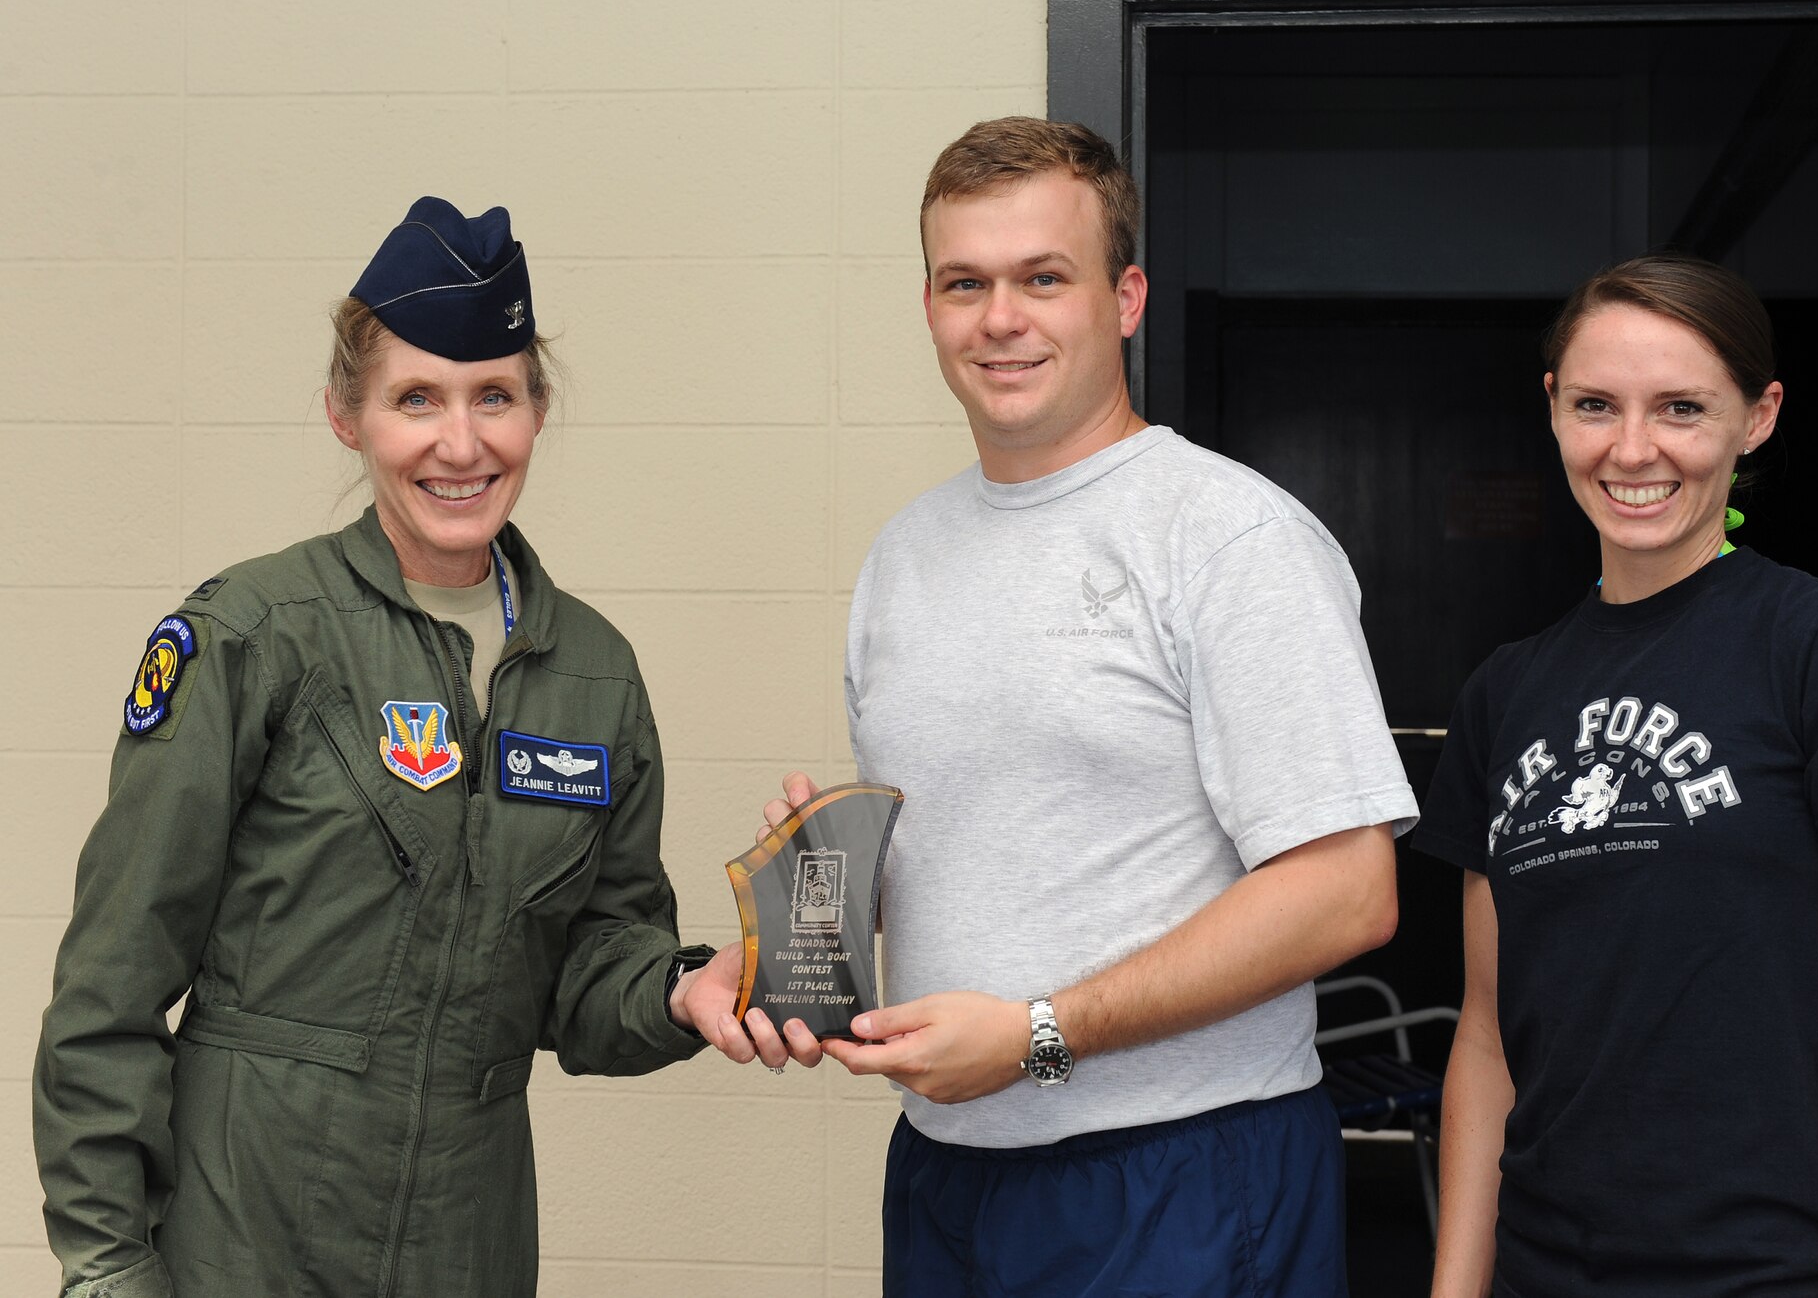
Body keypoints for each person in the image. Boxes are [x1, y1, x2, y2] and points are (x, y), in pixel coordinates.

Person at [33, 197, 798, 1298]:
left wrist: (686, 989)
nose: (460, 442)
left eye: (494, 394)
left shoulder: (594, 674)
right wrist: (107, 1267)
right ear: (349, 416)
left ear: (537, 409)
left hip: (467, 1245)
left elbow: (586, 970)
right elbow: (109, 986)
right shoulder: (253, 633)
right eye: (416, 399)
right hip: (238, 1242)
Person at [743, 117, 1418, 1296]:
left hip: (1182, 1170)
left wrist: (1037, 1033)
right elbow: (982, 860)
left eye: (1042, 277)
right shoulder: (905, 554)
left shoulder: (1228, 537)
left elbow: (1346, 890)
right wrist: (803, 921)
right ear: (929, 305)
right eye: (966, 282)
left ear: (1124, 297)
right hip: (948, 1169)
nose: (999, 318)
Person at [1412, 254, 1818, 1297]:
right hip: (1542, 1270)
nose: (1631, 448)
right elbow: (1485, 1035)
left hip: (1765, 1273)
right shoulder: (1503, 690)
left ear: (1757, 416)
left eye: (1679, 407)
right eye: (1593, 405)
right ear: (1551, 410)